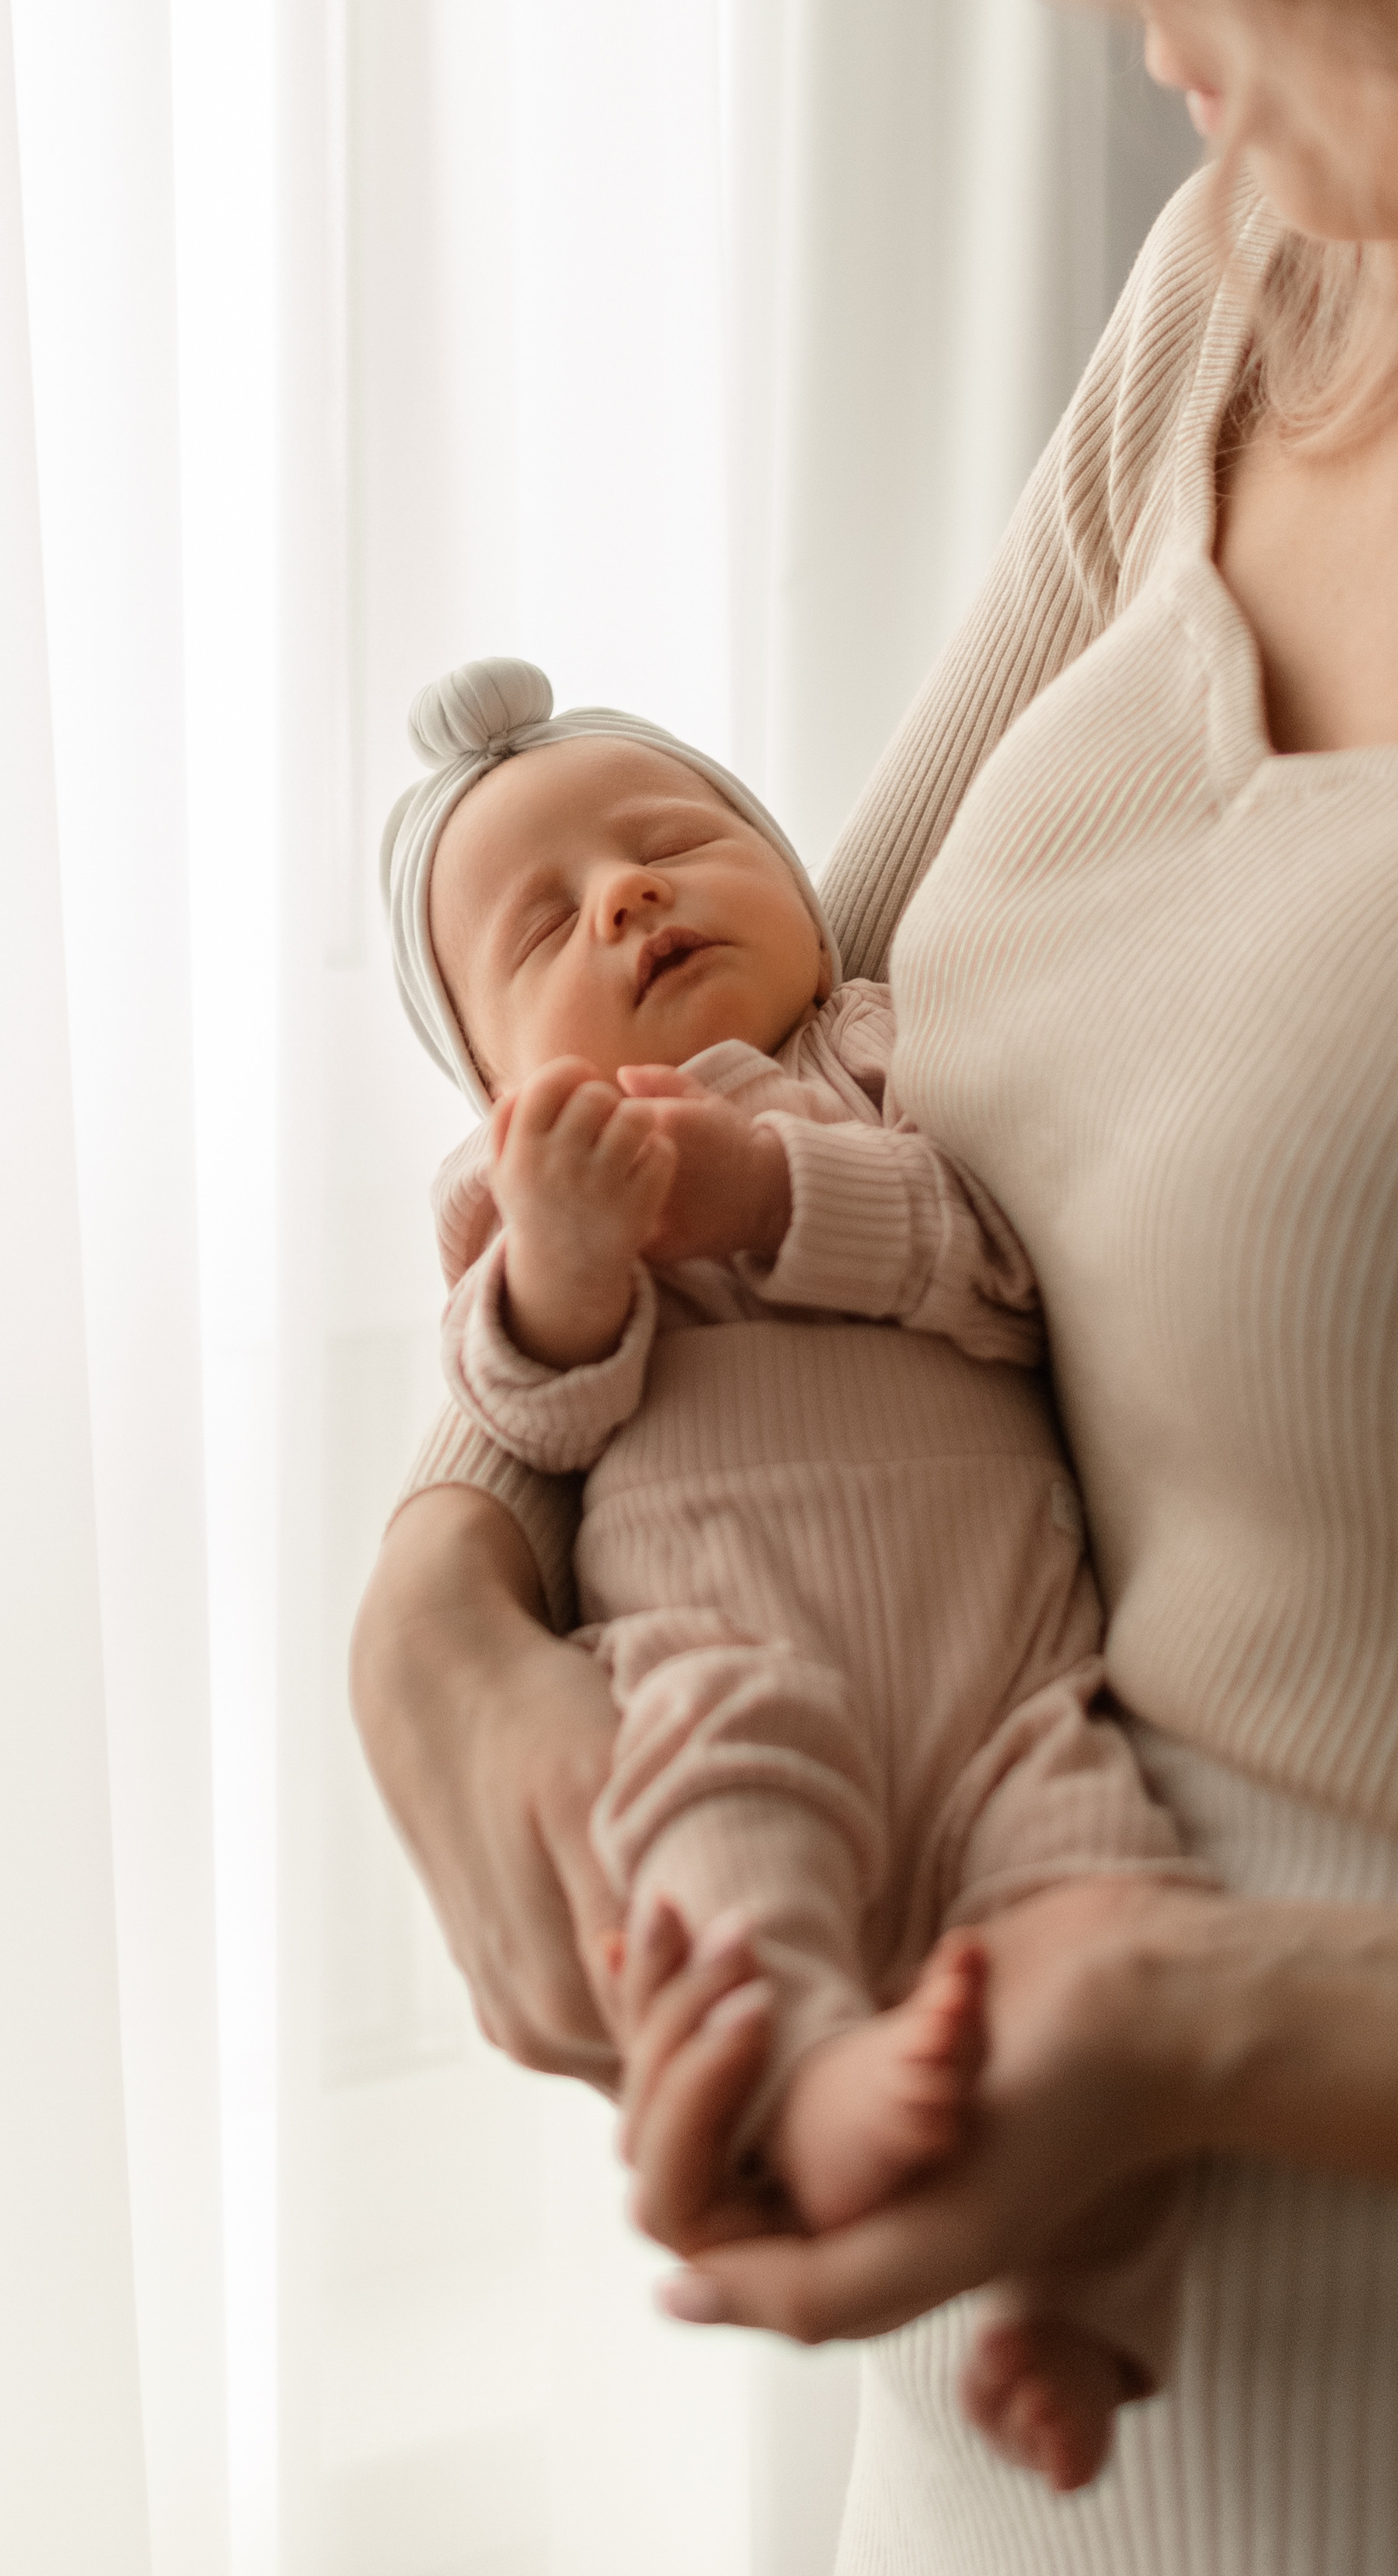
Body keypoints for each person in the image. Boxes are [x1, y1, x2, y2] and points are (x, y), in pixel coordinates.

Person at [350, 2, 1398, 2564]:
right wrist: (440, 1596)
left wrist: (1209, 2027)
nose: (1143, 32)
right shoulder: (1260, 282)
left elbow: (850, 1165)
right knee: (743, 1860)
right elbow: (815, 982)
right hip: (967, 2487)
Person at [382, 654, 1209, 2486]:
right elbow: (529, 1405)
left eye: (676, 841)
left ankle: (1088, 2294)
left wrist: (762, 1194)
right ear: (495, 1072)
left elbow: (1002, 1268)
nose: (629, 894)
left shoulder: (894, 1058)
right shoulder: (516, 1185)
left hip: (1017, 1682)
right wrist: (570, 1260)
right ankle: (814, 2066)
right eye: (543, 931)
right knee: (718, 1858)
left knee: (1110, 1913)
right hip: (722, 1661)